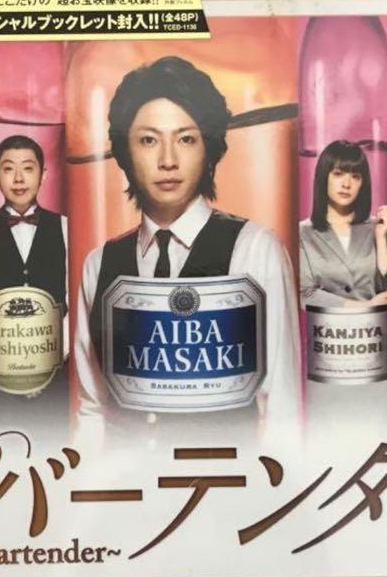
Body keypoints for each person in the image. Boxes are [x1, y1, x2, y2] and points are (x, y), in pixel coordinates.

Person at [73, 56, 300, 446]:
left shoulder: (255, 251)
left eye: (186, 139)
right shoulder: (99, 264)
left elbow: (282, 415)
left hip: (222, 478)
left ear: (208, 146)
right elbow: (92, 410)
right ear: (124, 151)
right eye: (149, 140)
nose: (168, 160)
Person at [0, 135, 69, 441]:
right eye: (8, 169)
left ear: (43, 175)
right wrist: (0, 356)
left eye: (27, 168)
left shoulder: (66, 227)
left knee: (51, 450)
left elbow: (73, 298)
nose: (18, 178)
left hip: (54, 371)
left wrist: (50, 356)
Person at [299, 139, 387, 309]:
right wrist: (364, 306)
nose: (346, 184)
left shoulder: (378, 228)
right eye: (338, 174)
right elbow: (305, 294)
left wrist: (381, 238)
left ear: (362, 183)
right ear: (324, 177)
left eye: (355, 176)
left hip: (376, 325)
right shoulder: (303, 233)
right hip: (328, 325)